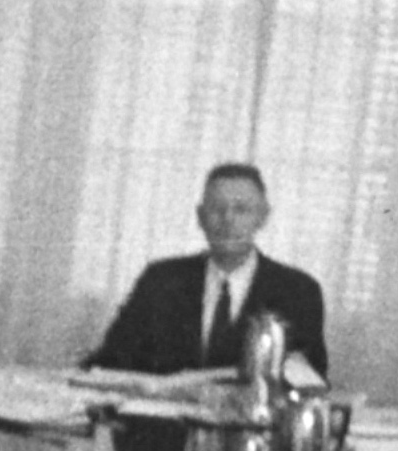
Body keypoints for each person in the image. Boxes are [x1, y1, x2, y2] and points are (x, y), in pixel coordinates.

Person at [88, 161, 329, 381]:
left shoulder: (298, 290)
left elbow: (311, 378)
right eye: (217, 209)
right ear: (201, 217)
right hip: (164, 425)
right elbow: (111, 359)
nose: (228, 220)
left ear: (262, 217)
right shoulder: (161, 280)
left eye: (241, 210)